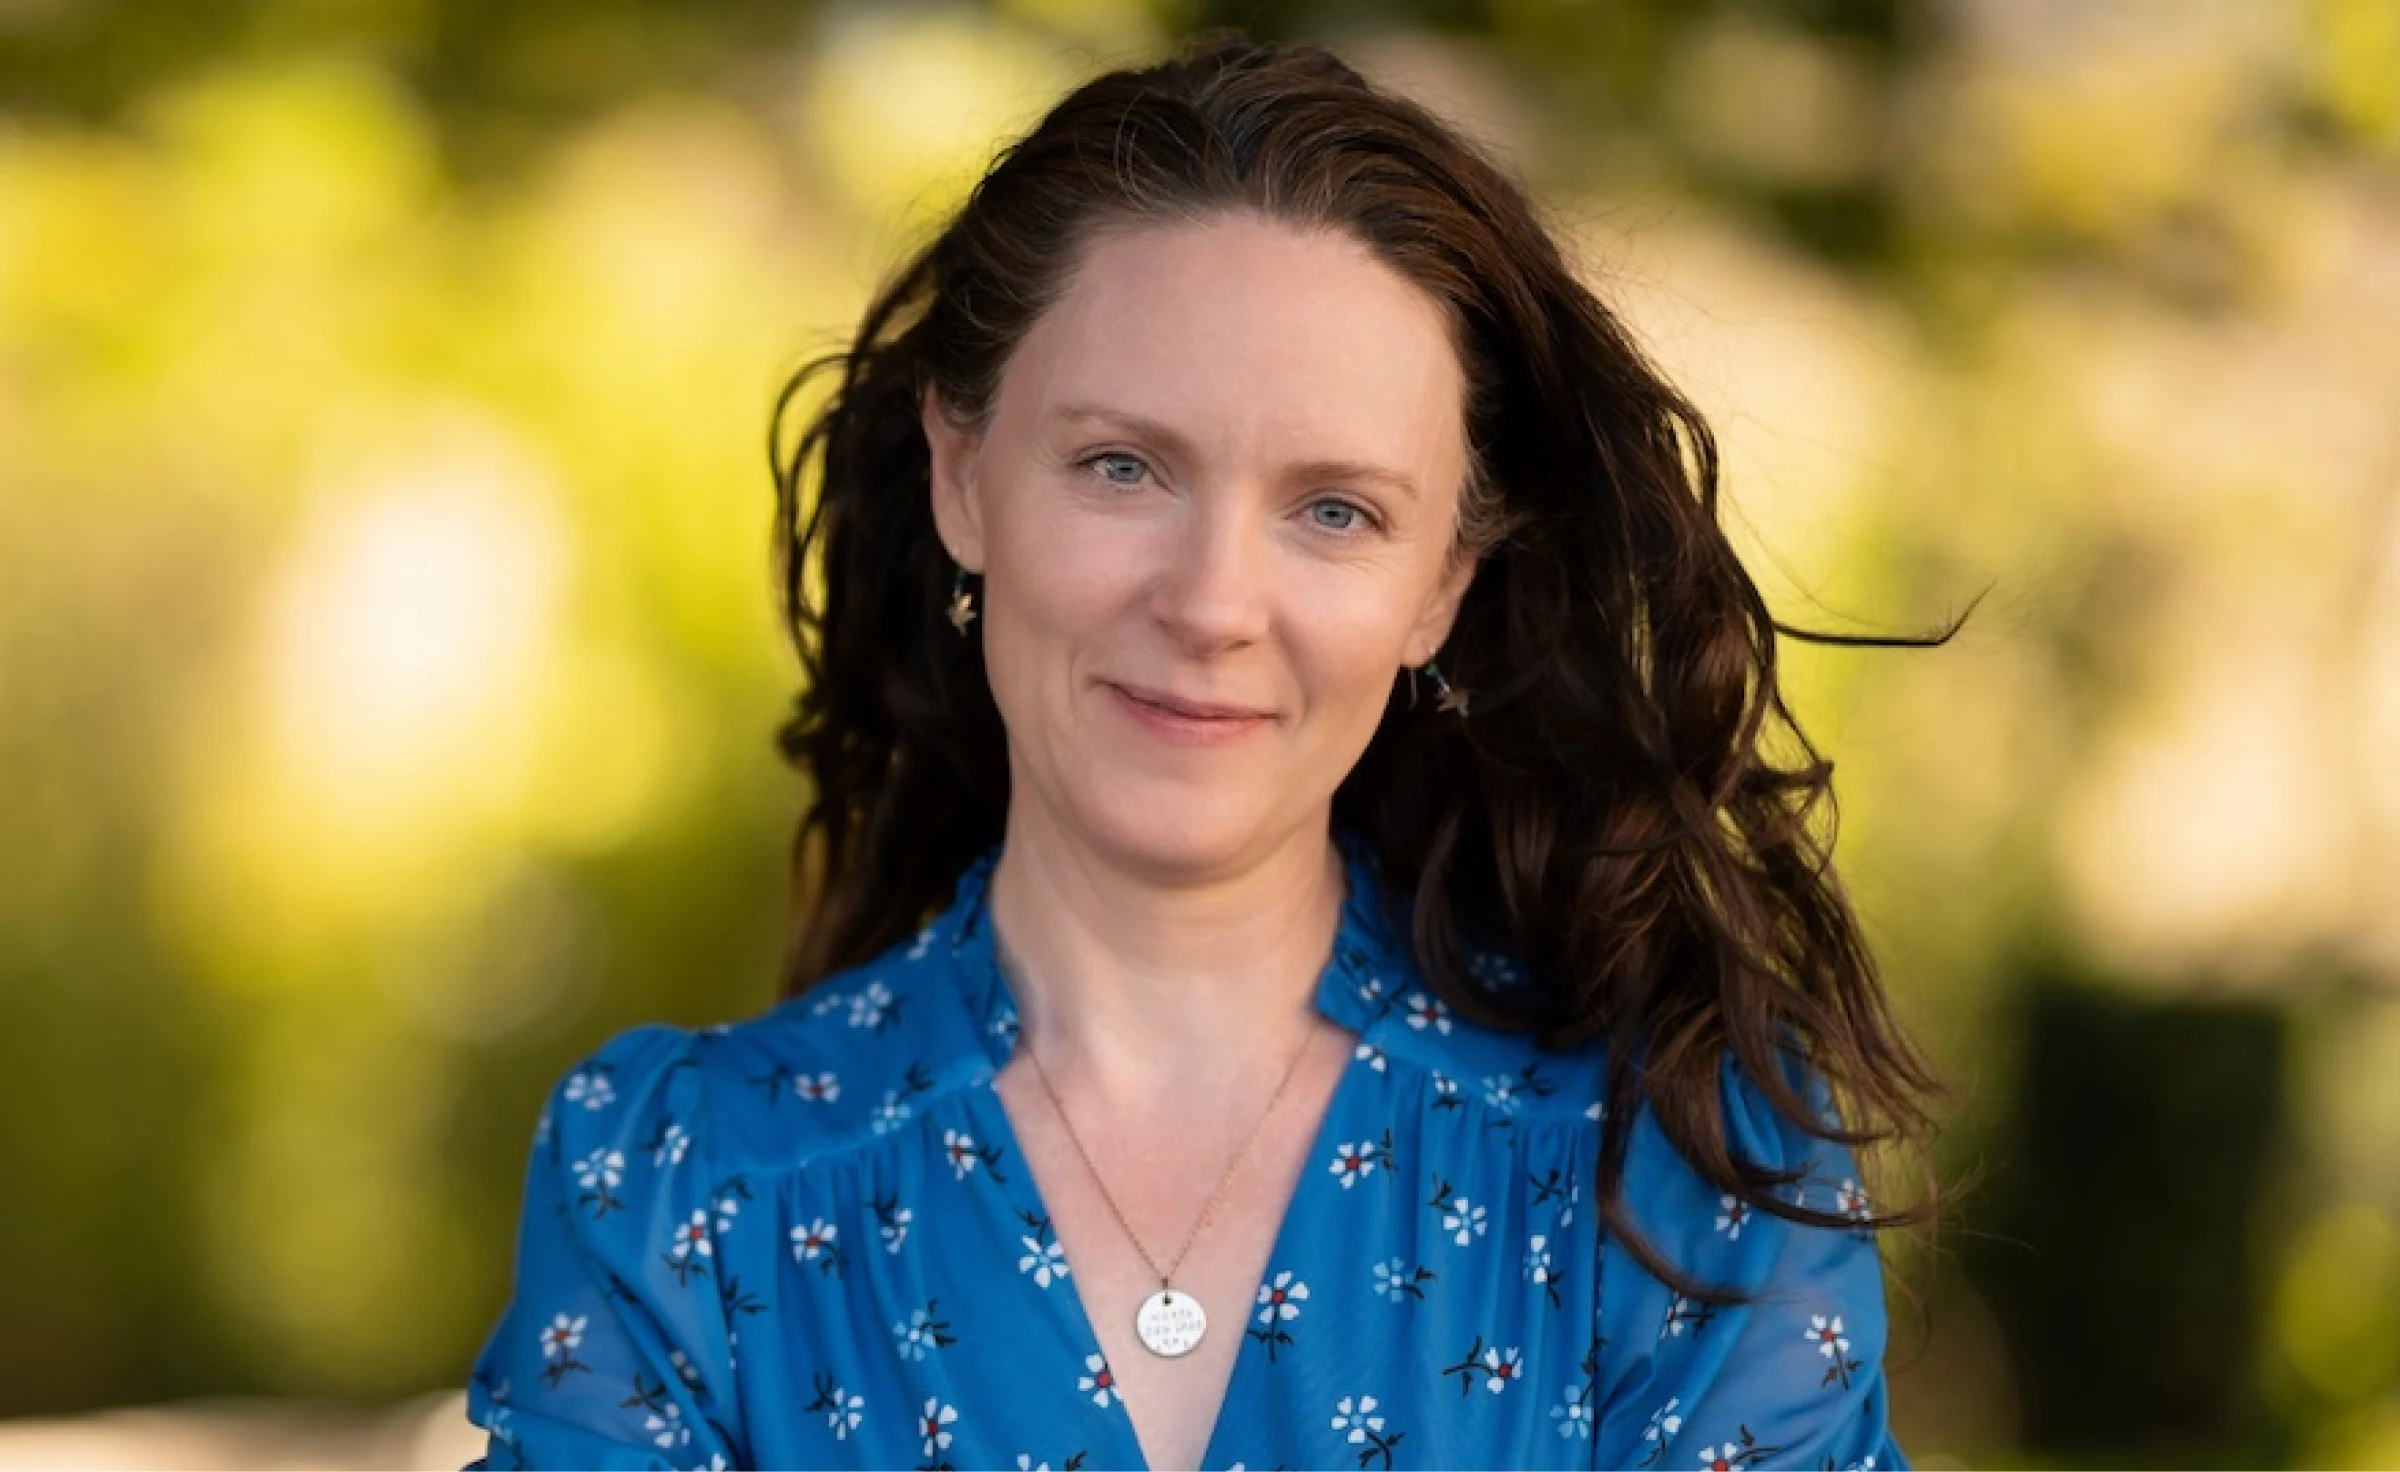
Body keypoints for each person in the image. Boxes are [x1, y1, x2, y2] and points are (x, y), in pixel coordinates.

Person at [465, 31, 1948, 1472]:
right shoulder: (679, 1189)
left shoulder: (1676, 1177)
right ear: (962, 475)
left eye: (1336, 511)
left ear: (1442, 584)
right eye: (1123, 467)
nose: (1214, 603)